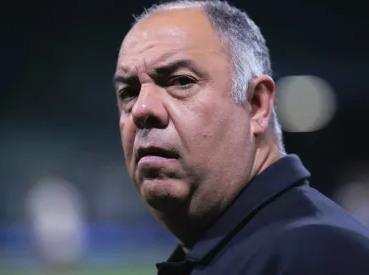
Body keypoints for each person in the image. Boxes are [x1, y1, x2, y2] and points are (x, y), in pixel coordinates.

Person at [113, 0, 369, 274]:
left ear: (256, 104)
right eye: (128, 92)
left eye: (181, 81)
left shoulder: (319, 255)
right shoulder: (252, 250)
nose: (141, 109)